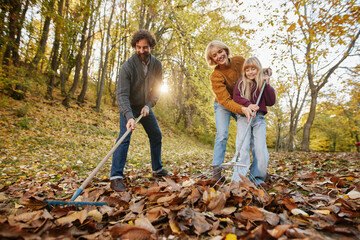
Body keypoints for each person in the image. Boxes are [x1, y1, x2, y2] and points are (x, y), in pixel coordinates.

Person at [110, 29, 169, 192]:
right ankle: (115, 177)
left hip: (144, 107)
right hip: (128, 106)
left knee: (156, 135)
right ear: (135, 47)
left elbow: (157, 89)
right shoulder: (128, 66)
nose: (141, 50)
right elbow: (121, 95)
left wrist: (148, 105)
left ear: (151, 47)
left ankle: (157, 169)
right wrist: (129, 116)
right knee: (124, 137)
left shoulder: (157, 65)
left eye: (144, 47)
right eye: (138, 47)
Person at [205, 40, 253, 181]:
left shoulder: (239, 61)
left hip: (241, 102)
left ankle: (257, 169)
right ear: (212, 59)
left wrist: (264, 73)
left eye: (220, 51)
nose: (219, 56)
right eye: (214, 55)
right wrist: (242, 109)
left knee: (251, 130)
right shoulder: (216, 76)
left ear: (225, 50)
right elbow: (225, 101)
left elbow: (252, 73)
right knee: (222, 134)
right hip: (223, 105)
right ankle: (216, 173)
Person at [231, 56, 276, 186]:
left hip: (259, 119)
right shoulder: (241, 82)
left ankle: (257, 178)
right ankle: (238, 178)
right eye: (247, 70)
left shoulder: (263, 84)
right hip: (243, 118)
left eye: (253, 69)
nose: (250, 72)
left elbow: (271, 102)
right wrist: (248, 104)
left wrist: (267, 85)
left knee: (260, 149)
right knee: (242, 146)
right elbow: (236, 97)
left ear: (259, 69)